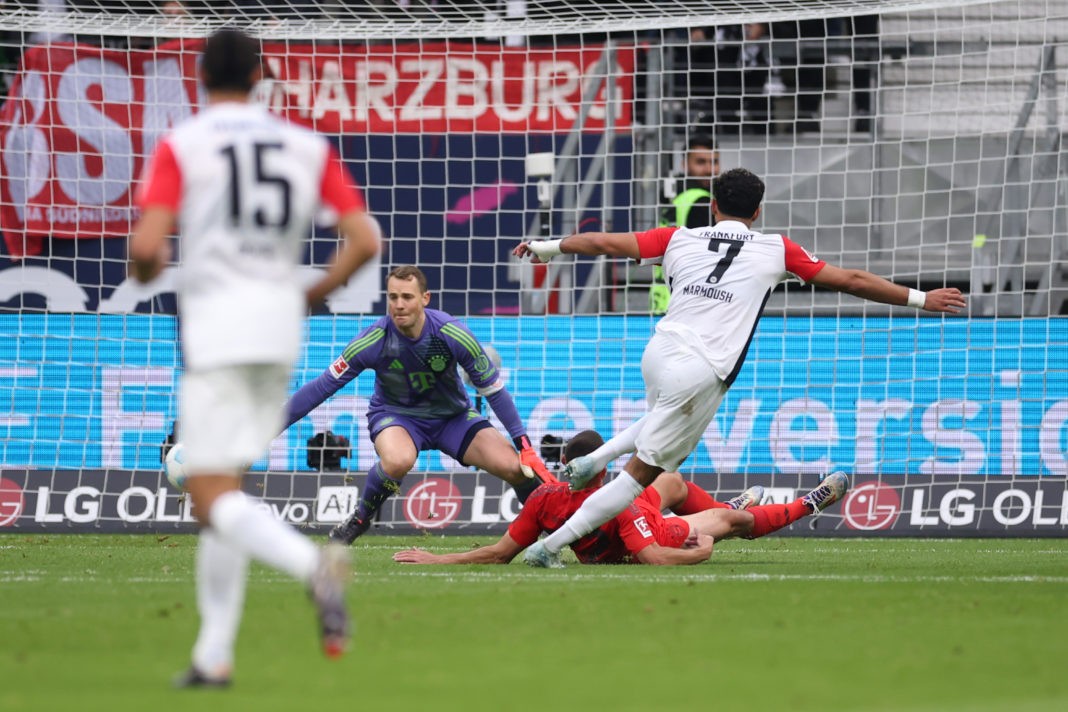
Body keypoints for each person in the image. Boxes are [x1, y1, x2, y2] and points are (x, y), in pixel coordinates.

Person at [512, 167, 967, 568]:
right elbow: (850, 280)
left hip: (659, 351)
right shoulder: (775, 248)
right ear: (758, 212)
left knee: (658, 424)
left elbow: (605, 242)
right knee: (641, 478)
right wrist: (921, 298)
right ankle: (551, 547)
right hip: (701, 369)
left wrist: (548, 247)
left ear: (712, 206)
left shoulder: (678, 237)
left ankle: (592, 458)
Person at [128, 28, 382, 686]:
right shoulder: (305, 146)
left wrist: (150, 260)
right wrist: (312, 292)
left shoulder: (184, 144)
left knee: (207, 494)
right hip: (278, 328)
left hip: (217, 328)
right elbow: (363, 238)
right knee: (224, 493)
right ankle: (213, 655)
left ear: (201, 74)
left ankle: (314, 568)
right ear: (262, 74)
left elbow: (148, 248)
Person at [283, 264, 555, 545]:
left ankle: (552, 533)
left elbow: (494, 391)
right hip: (396, 417)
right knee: (398, 461)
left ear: (425, 298)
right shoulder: (372, 340)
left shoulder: (451, 334)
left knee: (514, 468)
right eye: (392, 297)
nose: (399, 305)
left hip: (454, 419)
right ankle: (360, 519)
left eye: (407, 297)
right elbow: (322, 386)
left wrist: (523, 445)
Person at [393, 430, 845, 566]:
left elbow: (498, 552)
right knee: (703, 506)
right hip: (647, 524)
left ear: (565, 460)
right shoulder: (602, 501)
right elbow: (655, 559)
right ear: (606, 470)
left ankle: (749, 504)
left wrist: (439, 559)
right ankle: (753, 507)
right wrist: (701, 555)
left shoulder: (550, 499)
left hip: (649, 523)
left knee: (684, 490)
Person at [651, 134, 721, 314]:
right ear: (684, 164)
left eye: (714, 162)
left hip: (662, 295)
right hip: (689, 302)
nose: (709, 169)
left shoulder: (675, 196)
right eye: (700, 162)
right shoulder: (702, 202)